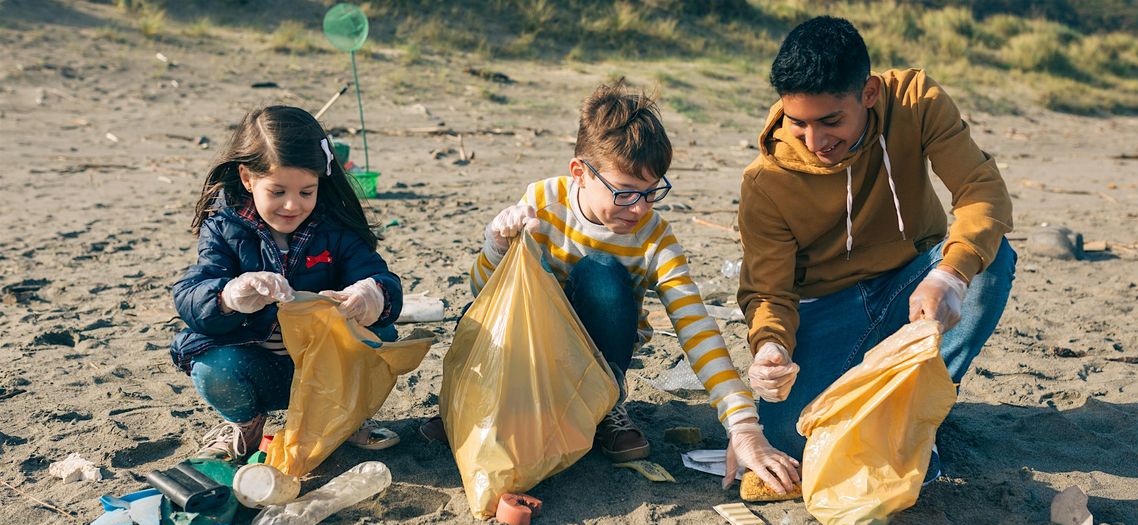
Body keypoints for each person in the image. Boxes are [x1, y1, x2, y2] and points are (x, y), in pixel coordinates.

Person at [426, 81, 800, 492]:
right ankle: (474, 404)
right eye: (624, 194)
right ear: (580, 174)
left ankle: (603, 409)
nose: (639, 208)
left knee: (604, 272)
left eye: (651, 192)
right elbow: (485, 292)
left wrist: (743, 426)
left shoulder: (653, 236)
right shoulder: (541, 202)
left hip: (595, 361)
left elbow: (697, 327)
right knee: (483, 313)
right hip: (530, 352)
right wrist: (497, 245)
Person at [738, 16, 1017, 479]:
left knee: (988, 259)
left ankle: (915, 412)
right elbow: (770, 293)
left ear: (868, 93)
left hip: (916, 285)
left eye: (831, 121)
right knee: (788, 439)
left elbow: (982, 192)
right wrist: (771, 345)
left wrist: (950, 274)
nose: (815, 141)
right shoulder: (766, 181)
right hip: (830, 309)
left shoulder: (916, 101)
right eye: (798, 123)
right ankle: (890, 416)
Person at [170, 105, 406, 461]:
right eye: (277, 192)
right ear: (248, 179)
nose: (292, 205)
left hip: (327, 367)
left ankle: (343, 419)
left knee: (382, 336)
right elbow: (191, 297)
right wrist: (229, 296)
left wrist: (370, 294)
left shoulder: (334, 227)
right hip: (259, 365)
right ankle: (245, 426)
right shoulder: (223, 227)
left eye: (306, 192)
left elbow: (383, 280)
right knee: (210, 363)